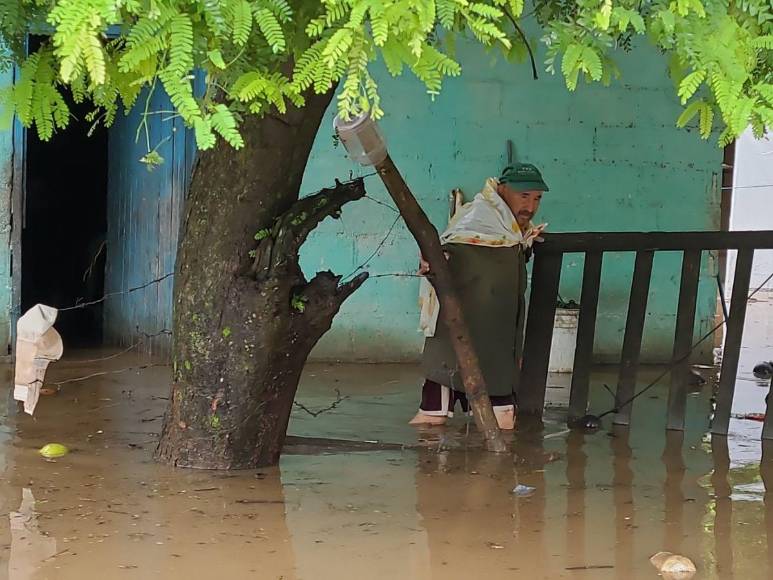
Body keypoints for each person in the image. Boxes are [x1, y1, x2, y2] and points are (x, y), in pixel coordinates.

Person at [410, 163, 549, 429]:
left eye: (537, 199)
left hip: (497, 339)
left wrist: (527, 243)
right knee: (431, 419)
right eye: (524, 196)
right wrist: (435, 260)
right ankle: (429, 468)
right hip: (459, 332)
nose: (530, 207)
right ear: (502, 190)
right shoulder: (476, 217)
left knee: (503, 422)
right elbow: (448, 249)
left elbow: (508, 250)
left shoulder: (510, 226)